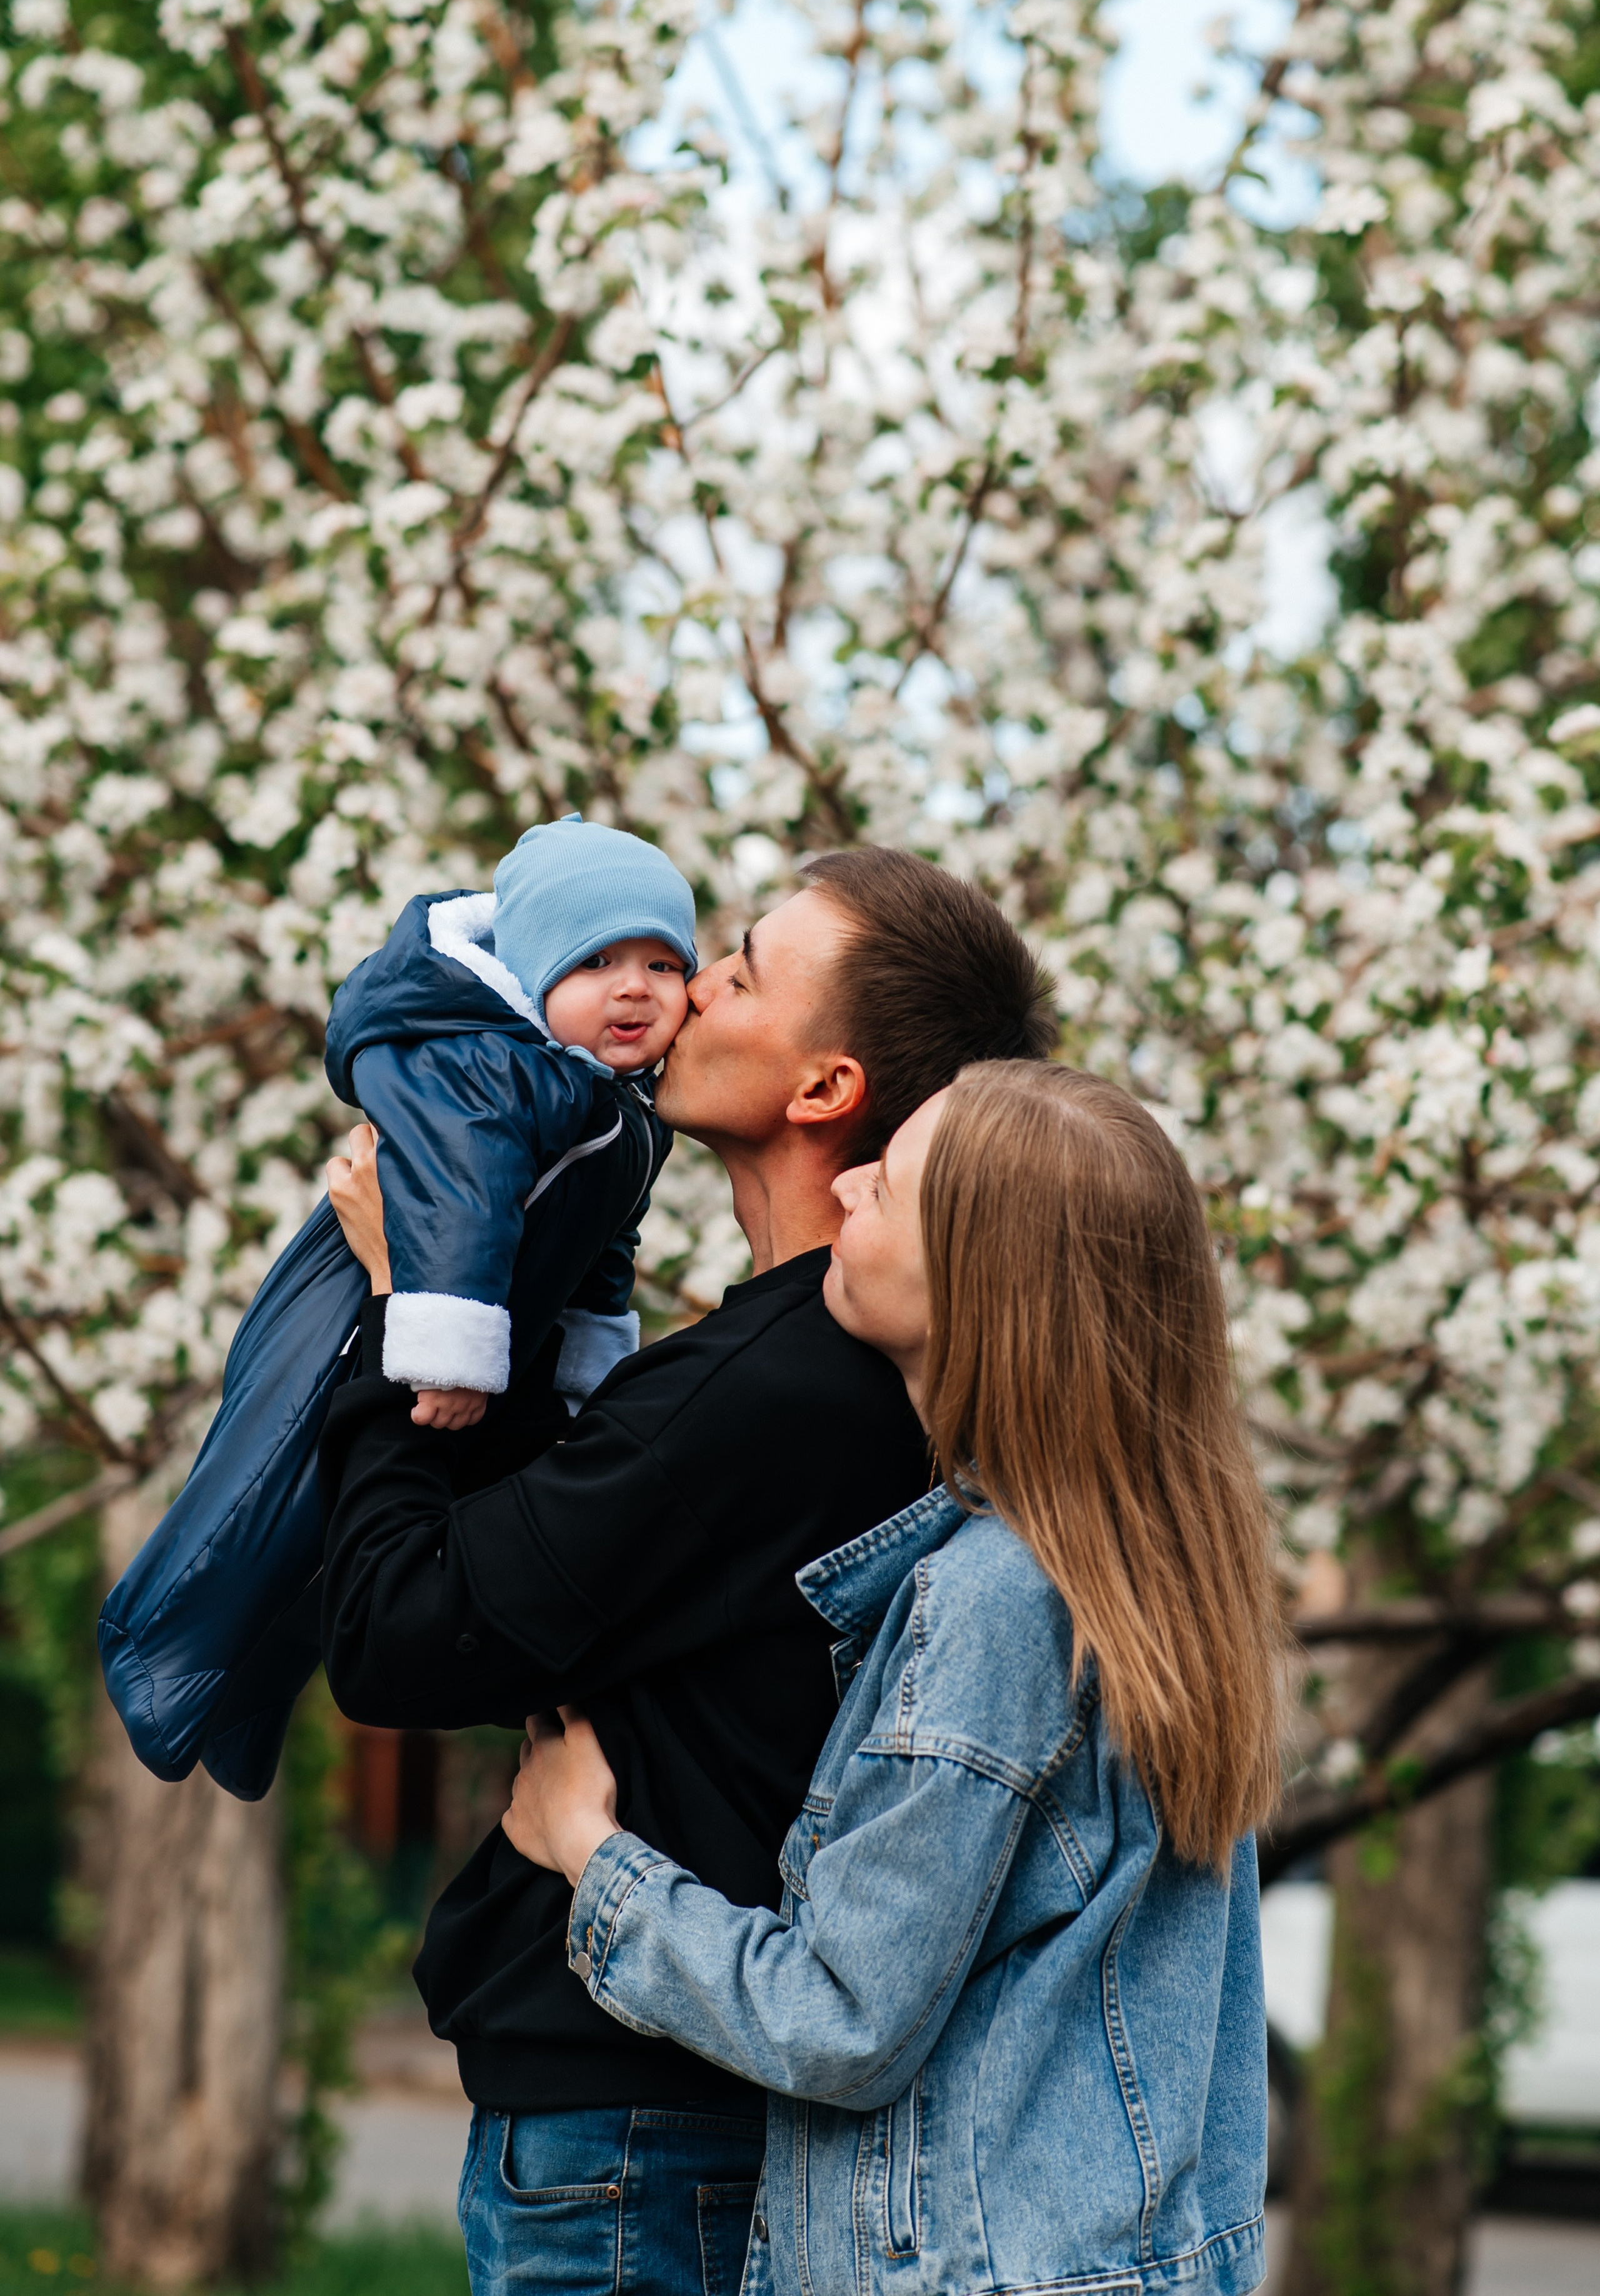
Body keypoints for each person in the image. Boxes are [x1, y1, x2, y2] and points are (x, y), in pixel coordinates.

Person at [316, 848, 1057, 2296]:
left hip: (627, 2131)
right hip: (665, 2100)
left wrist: (406, 1317)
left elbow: (400, 1632)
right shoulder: (833, 1368)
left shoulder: (768, 1387)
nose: (681, 984)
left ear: (823, 1088)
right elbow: (548, 1580)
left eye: (740, 968)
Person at [504, 1060, 1284, 2296]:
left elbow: (842, 2021)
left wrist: (591, 1854)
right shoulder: (1148, 1574)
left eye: (893, 1181)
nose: (849, 1178)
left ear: (987, 1283)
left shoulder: (994, 1601)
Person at [99, 815, 697, 1802]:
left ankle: (245, 1698)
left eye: (662, 964)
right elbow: (457, 1191)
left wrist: (593, 1359)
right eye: (597, 961)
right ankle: (156, 1654)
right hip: (361, 1310)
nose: (635, 987)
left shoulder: (619, 1105)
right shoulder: (488, 1063)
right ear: (537, 971)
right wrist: (448, 1352)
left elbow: (606, 1246)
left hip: (436, 1321)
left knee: (346, 1541)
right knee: (272, 1490)